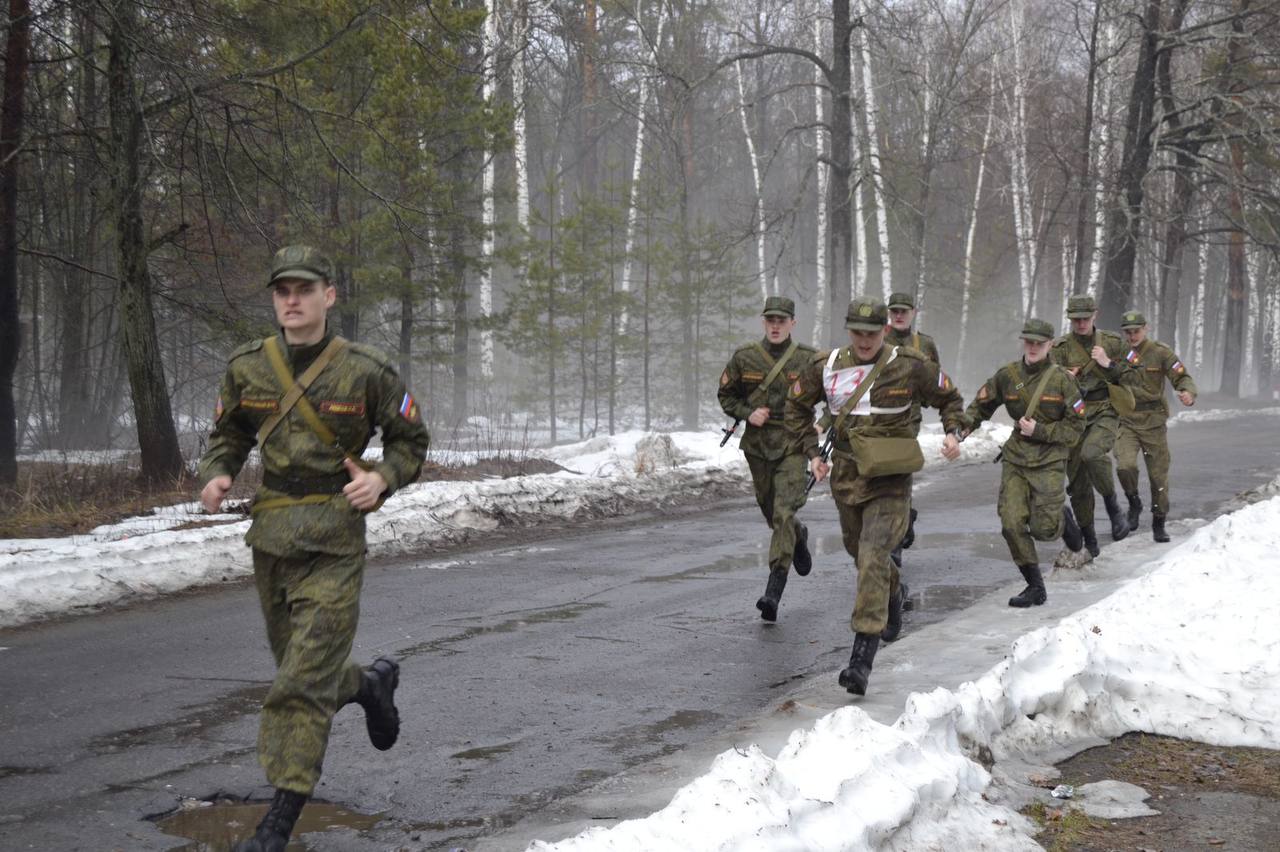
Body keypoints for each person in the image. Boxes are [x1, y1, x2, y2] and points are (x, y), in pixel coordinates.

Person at [197, 245, 431, 852]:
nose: (293, 300)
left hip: (333, 540)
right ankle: (369, 686)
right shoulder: (248, 367)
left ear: (329, 295)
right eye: (282, 291)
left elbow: (411, 440)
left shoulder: (366, 370)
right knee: (302, 672)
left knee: (297, 686)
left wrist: (381, 478)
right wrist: (219, 471)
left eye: (305, 289)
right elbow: (228, 432)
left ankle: (279, 817)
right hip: (272, 540)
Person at [785, 298, 964, 696]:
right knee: (862, 555)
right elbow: (795, 408)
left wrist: (953, 431)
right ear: (848, 330)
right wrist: (813, 453)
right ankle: (893, 593)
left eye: (873, 333)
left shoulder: (910, 364)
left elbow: (950, 398)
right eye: (858, 333)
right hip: (847, 475)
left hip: (891, 476)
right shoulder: (826, 366)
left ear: (885, 330)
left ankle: (860, 659)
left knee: (872, 556)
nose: (865, 341)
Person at [960, 319, 1086, 607]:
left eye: (1039, 343)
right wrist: (964, 427)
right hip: (1016, 459)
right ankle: (1035, 586)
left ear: (1050, 345)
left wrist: (1040, 431)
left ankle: (1063, 519)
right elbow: (981, 405)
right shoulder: (1008, 375)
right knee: (1011, 523)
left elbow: (1076, 428)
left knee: (1043, 529)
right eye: (1028, 341)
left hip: (1050, 459)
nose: (1032, 347)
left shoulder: (1064, 381)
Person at [718, 296, 817, 622]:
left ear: (792, 323)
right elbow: (726, 395)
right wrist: (748, 412)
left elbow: (835, 397)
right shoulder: (745, 358)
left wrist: (821, 426)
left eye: (782, 320)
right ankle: (798, 536)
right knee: (772, 512)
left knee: (784, 513)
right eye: (770, 320)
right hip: (758, 447)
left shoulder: (807, 359)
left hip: (792, 444)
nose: (776, 326)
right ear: (764, 322)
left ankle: (773, 591)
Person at [1049, 294, 1136, 557]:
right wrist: (1064, 378)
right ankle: (1090, 539)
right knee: (1077, 485)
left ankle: (1113, 507)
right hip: (1074, 417)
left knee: (1093, 453)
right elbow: (1047, 384)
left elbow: (1135, 371)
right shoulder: (1060, 348)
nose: (1081, 324)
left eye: (1085, 318)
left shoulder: (1112, 342)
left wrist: (1108, 364)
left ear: (1095, 315)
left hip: (1104, 410)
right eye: (1076, 320)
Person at [1113, 310, 1197, 542]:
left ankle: (1159, 521)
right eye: (1128, 332)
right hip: (1127, 420)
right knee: (1125, 466)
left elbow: (1181, 375)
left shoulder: (1160, 352)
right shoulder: (1119, 353)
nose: (1132, 336)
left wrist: (1188, 392)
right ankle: (1133, 503)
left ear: (1145, 328)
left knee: (1158, 478)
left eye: (1136, 331)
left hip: (1153, 422)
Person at [884, 291, 942, 567]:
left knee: (898, 472)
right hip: (878, 418)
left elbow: (936, 379)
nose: (898, 315)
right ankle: (904, 517)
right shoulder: (877, 341)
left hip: (909, 419)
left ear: (912, 313)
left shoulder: (925, 344)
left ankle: (894, 546)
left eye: (903, 311)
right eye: (894, 311)